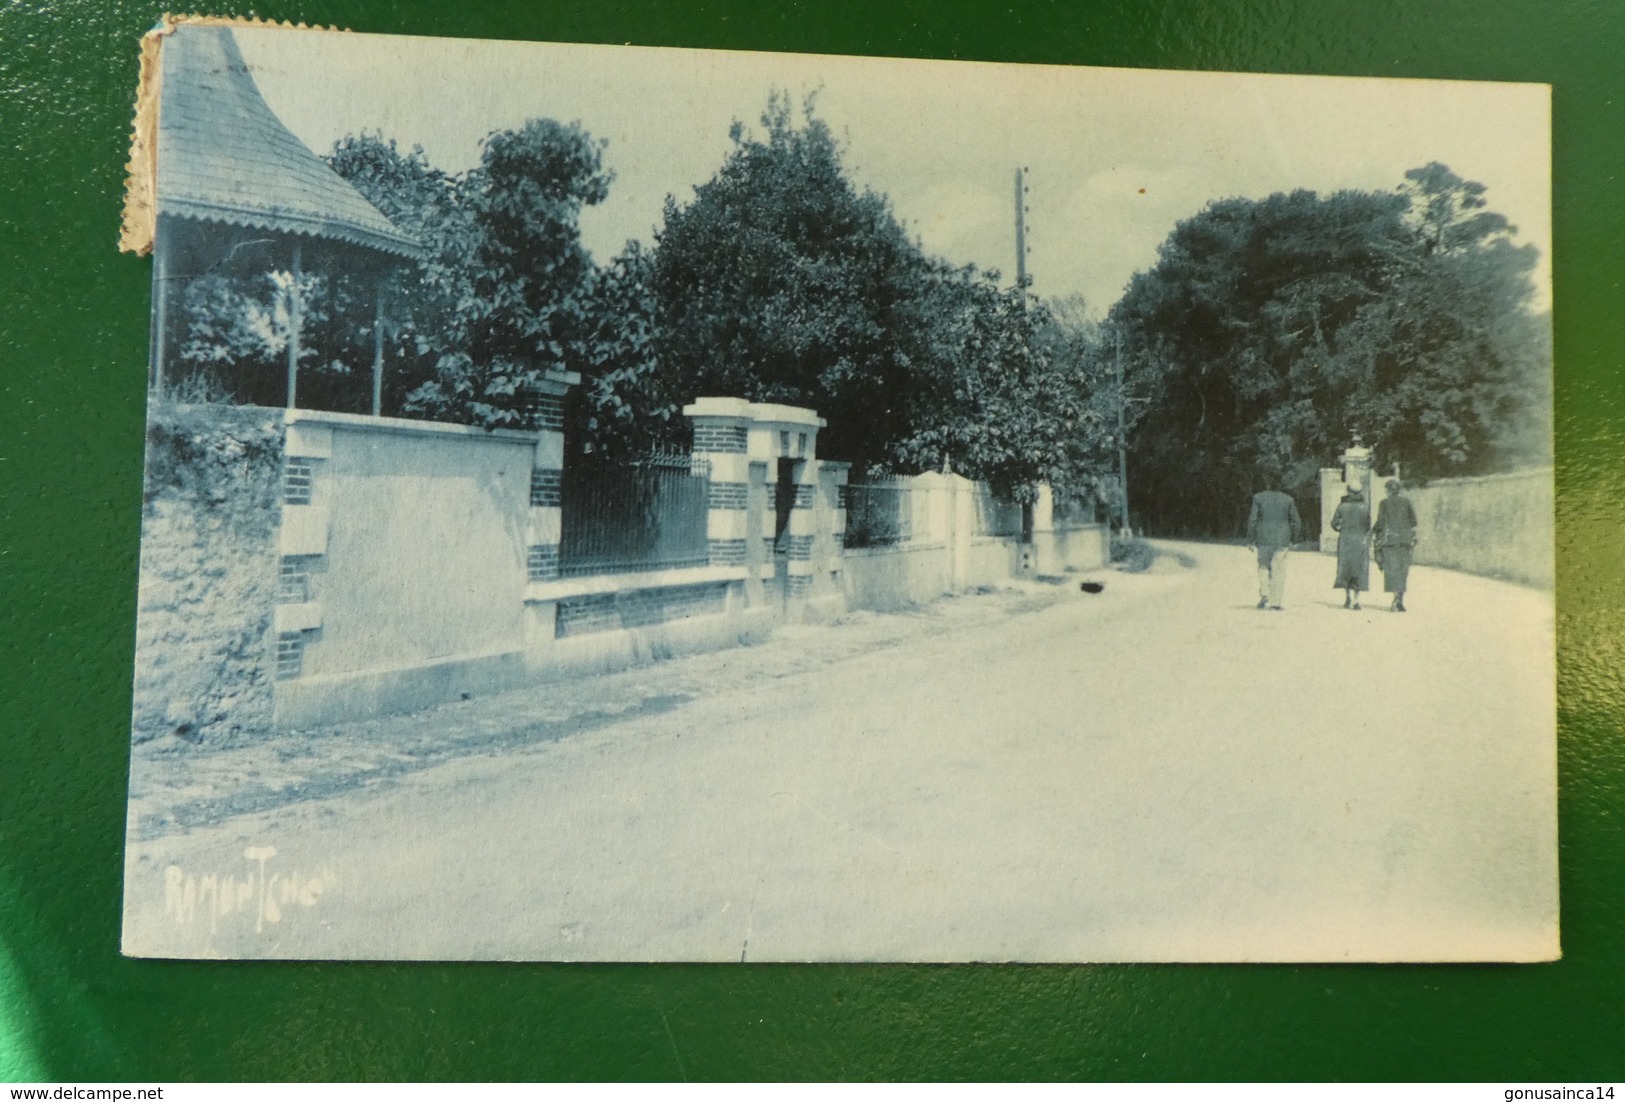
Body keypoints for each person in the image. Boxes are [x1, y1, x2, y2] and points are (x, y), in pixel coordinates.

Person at [1246, 483, 1303, 610]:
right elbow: (1296, 521)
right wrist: (1294, 539)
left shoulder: (1258, 498)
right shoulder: (1288, 499)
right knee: (1279, 569)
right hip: (1282, 539)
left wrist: (1251, 539)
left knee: (1263, 566)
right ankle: (1275, 603)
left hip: (1263, 538)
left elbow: (1253, 520)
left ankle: (1265, 593)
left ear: (1267, 485)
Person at [1373, 478, 1418, 611]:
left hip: (1390, 541)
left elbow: (1380, 522)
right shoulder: (1406, 502)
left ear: (1387, 490)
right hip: (1405, 541)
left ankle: (1396, 598)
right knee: (1403, 570)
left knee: (1392, 570)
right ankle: (1400, 600)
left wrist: (1374, 530)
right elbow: (1414, 521)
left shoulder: (1384, 503)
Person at [1330, 486, 1371, 609]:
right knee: (1359, 569)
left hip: (1345, 540)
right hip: (1360, 541)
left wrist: (1340, 529)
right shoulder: (1365, 507)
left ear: (1348, 492)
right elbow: (1367, 524)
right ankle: (1356, 600)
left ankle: (1347, 597)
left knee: (1346, 568)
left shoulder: (1342, 506)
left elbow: (1333, 523)